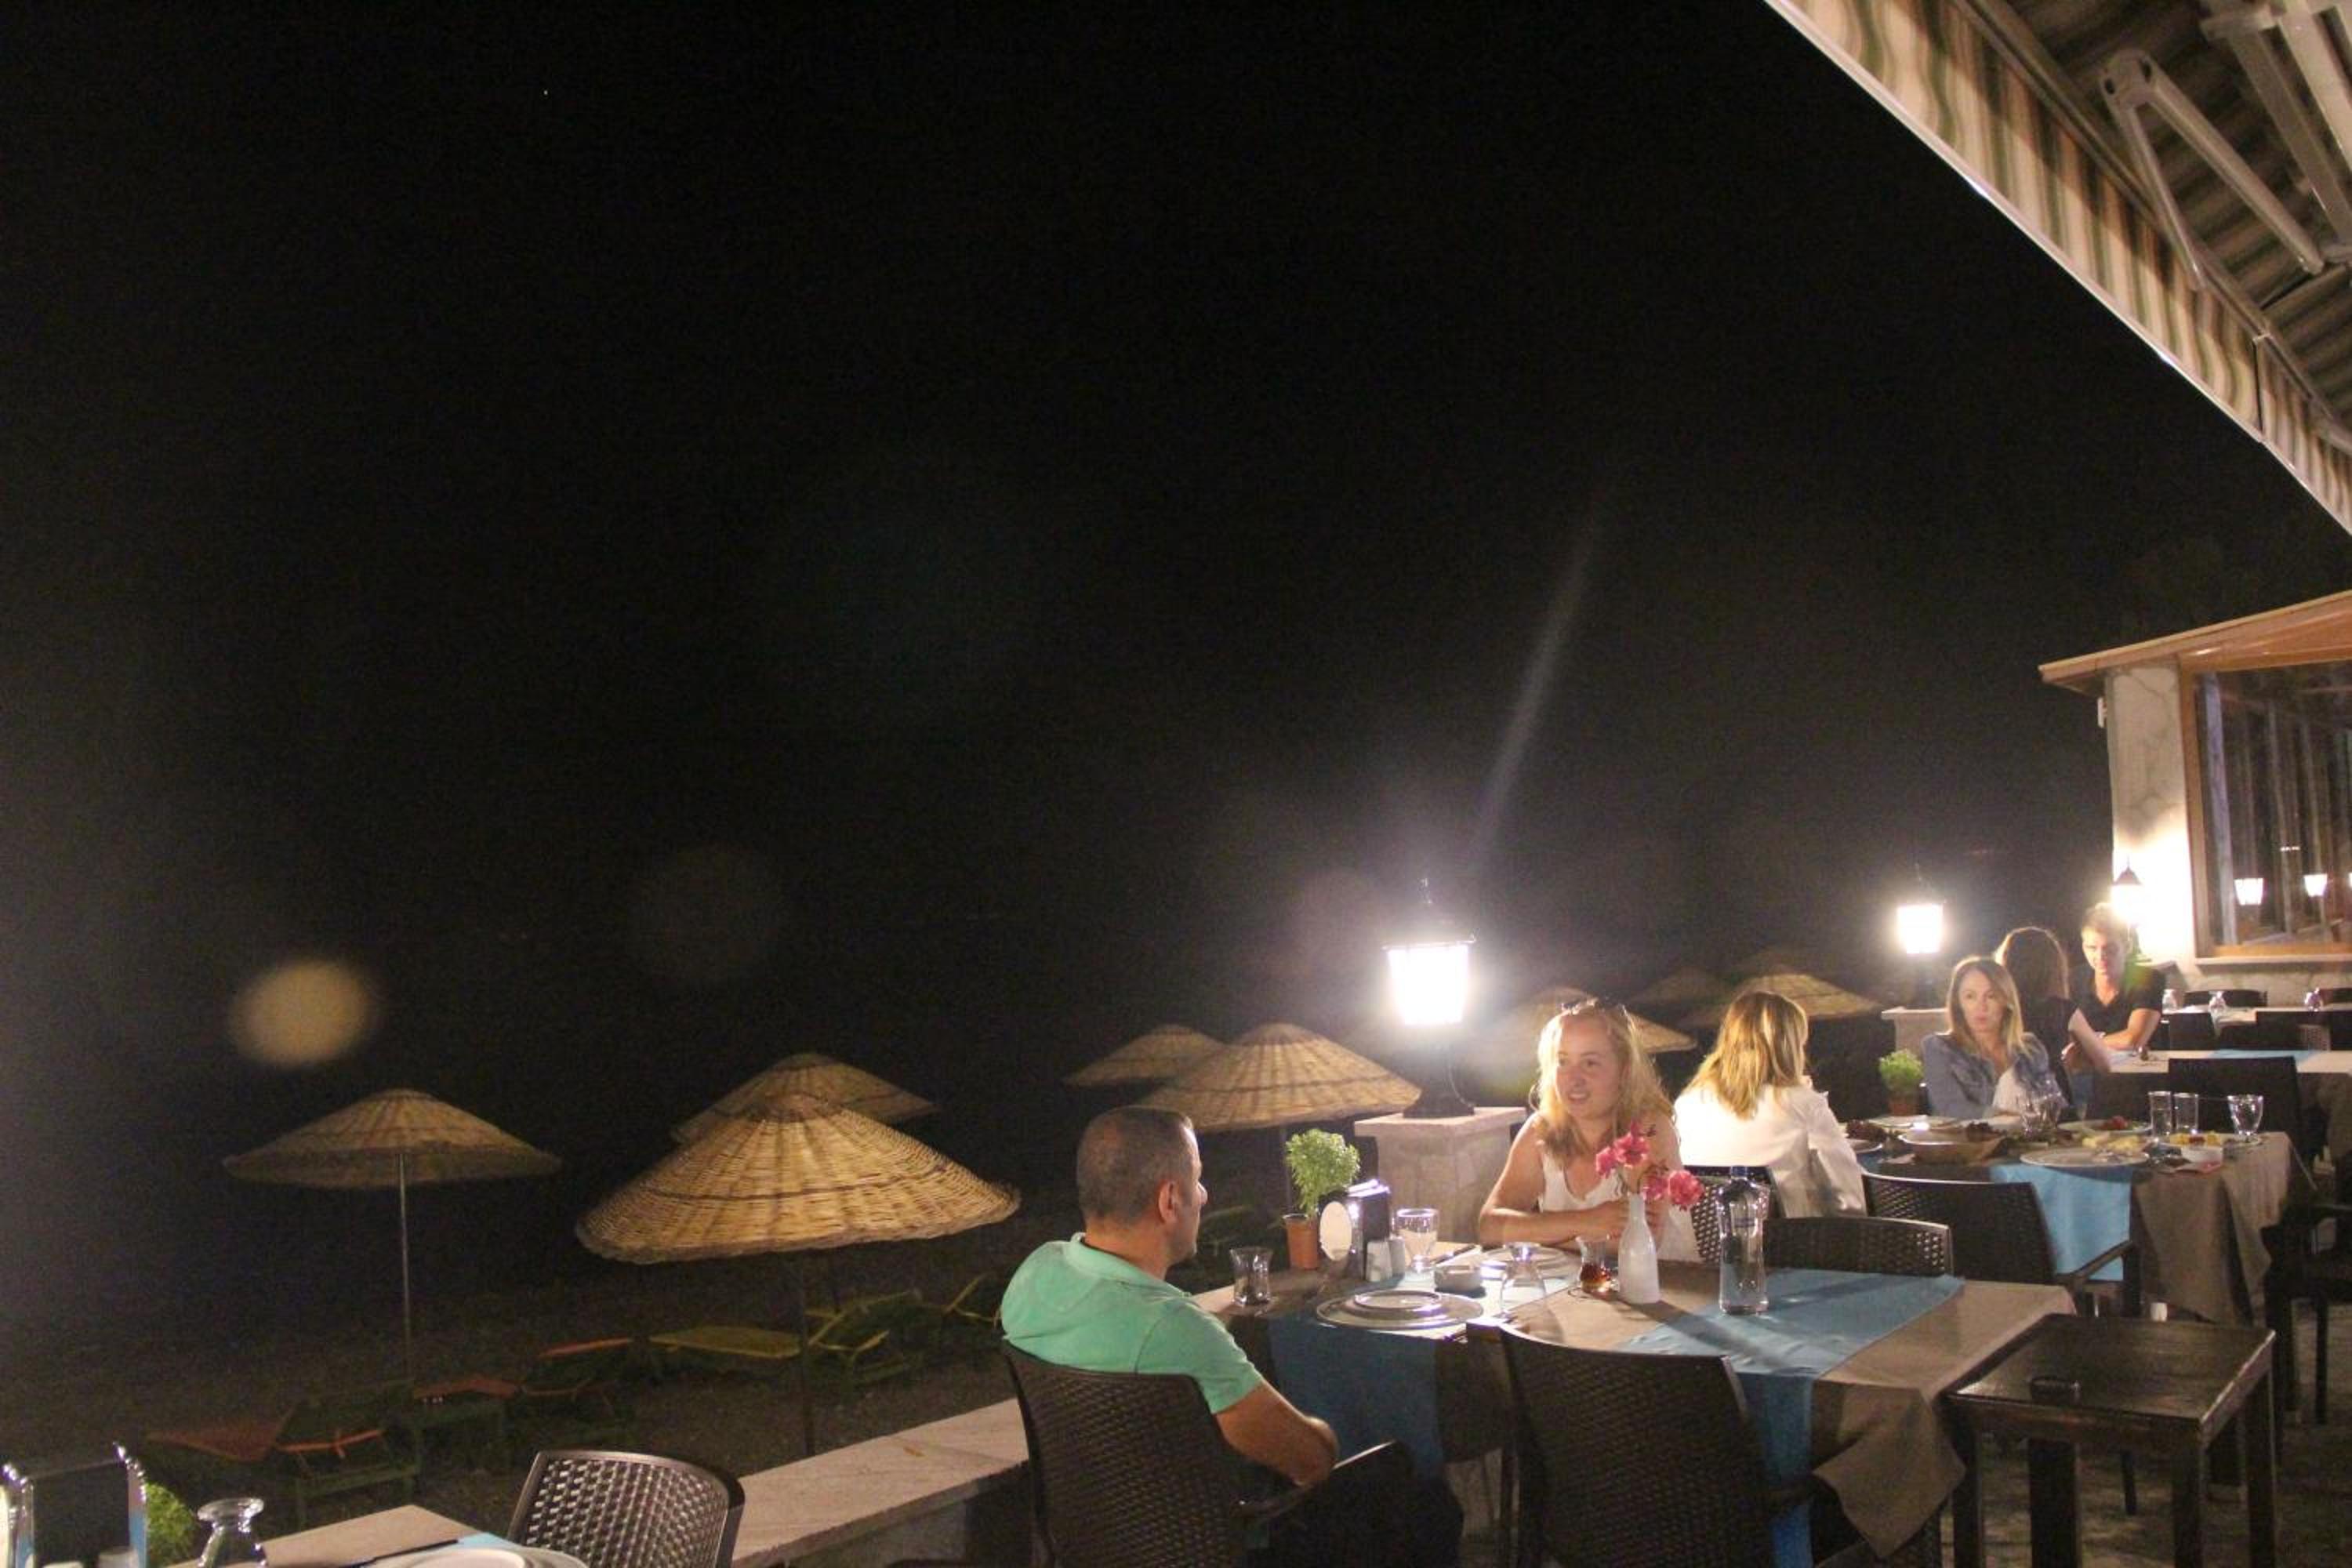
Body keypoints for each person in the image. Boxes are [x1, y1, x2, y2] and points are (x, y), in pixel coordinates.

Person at [999, 1106, 1445, 1565]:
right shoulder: (1176, 1329)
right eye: (1197, 1180)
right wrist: (1328, 1429)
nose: (1205, 1195)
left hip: (1095, 1545)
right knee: (1420, 1500)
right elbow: (1310, 1461)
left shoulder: (1036, 1275)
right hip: (1209, 1549)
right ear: (1169, 1200)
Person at [1476, 999, 1699, 1261]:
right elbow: (1489, 1227)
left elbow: (1640, 1239)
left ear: (1624, 1070)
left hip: (1666, 1282)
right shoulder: (1542, 1130)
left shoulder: (1647, 1129)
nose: (1574, 1078)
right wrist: (1589, 1221)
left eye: (1590, 1063)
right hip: (1576, 1283)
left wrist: (1535, 1235)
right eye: (1563, 1062)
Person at [1673, 989, 1864, 1217]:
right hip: (1789, 1238)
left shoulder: (1688, 1104)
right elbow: (1851, 1202)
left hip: (1709, 1236)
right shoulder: (1805, 1105)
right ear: (1790, 1047)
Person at [1918, 956, 2065, 1120]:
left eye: (1991, 996)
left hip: (2034, 1135)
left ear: (2006, 1001)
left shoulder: (2030, 1048)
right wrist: (2004, 1117)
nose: (1981, 1006)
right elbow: (1950, 1108)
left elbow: (2054, 1103)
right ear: (1958, 1003)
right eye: (1970, 996)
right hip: (1973, 1136)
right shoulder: (1939, 1048)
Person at [1998, 924, 2105, 1110]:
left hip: (2003, 1103)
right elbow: (2104, 1062)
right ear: (2054, 967)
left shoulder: (1997, 1009)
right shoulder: (2063, 1009)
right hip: (2052, 1103)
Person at [2067, 902, 2163, 1073]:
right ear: (2083, 947)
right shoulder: (2073, 980)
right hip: (2085, 1075)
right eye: (2092, 948)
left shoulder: (2146, 978)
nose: (2100, 956)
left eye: (2109, 949)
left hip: (2135, 1076)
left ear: (2127, 947)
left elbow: (2133, 1040)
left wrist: (2084, 1045)